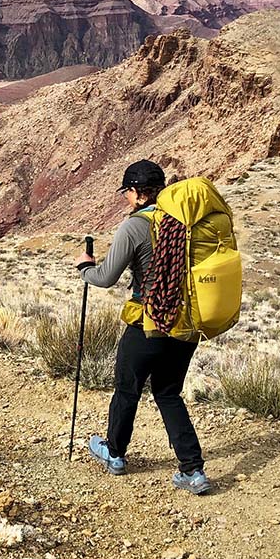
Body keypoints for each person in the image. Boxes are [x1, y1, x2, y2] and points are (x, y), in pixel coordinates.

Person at [73, 160, 211, 494]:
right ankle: (193, 471)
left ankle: (115, 454)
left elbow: (105, 278)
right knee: (167, 393)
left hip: (149, 323)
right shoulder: (185, 221)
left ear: (137, 193)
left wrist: (84, 268)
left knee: (127, 388)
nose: (126, 199)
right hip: (186, 324)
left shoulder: (134, 226)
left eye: (127, 193)